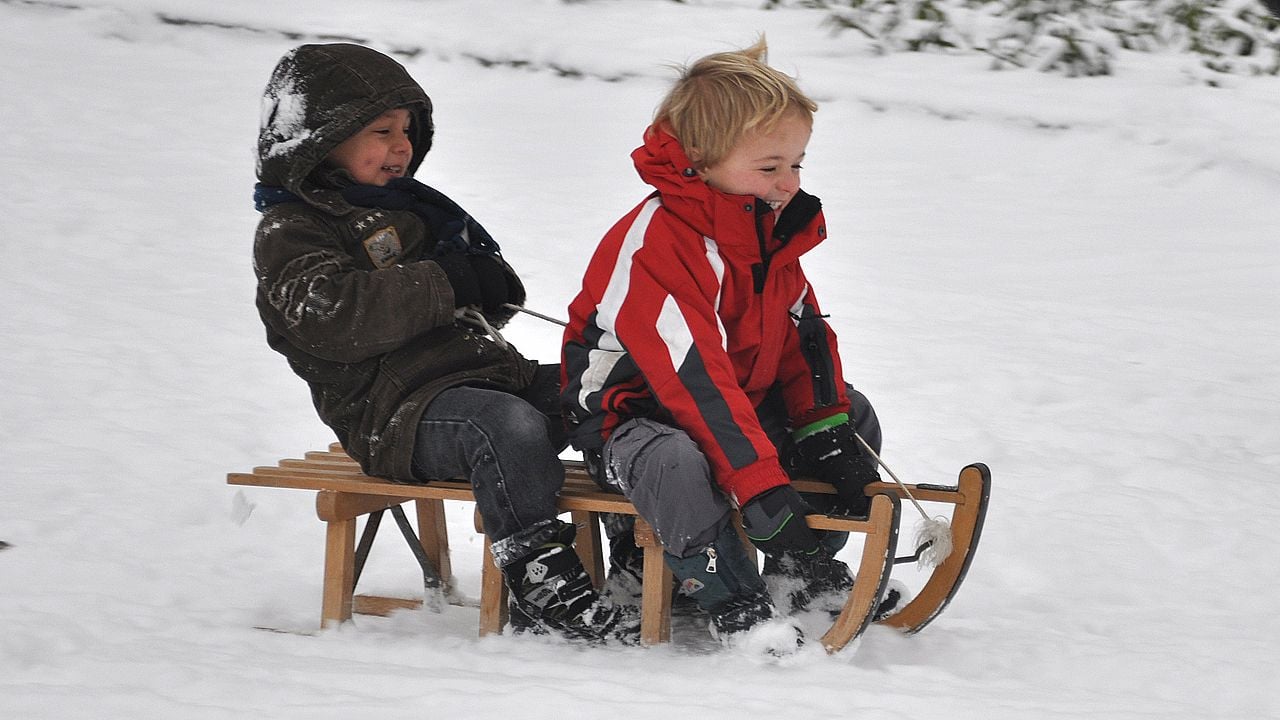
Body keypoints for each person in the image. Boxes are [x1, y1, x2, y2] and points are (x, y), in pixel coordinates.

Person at [252, 43, 638, 644]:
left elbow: (481, 298)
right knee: (505, 427)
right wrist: (443, 282)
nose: (401, 146)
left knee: (606, 388)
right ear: (320, 140)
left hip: (480, 380)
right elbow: (333, 315)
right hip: (393, 414)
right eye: (381, 130)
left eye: (407, 130)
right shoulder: (291, 230)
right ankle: (539, 577)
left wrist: (482, 280)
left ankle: (635, 550)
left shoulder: (412, 211)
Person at [560, 38, 892, 650]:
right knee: (677, 460)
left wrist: (826, 429)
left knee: (851, 409)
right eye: (770, 167)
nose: (788, 182)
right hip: (635, 423)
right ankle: (733, 599)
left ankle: (803, 570)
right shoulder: (657, 243)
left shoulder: (766, 234)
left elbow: (803, 345)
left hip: (734, 404)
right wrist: (760, 484)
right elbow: (694, 380)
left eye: (797, 164)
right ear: (701, 161)